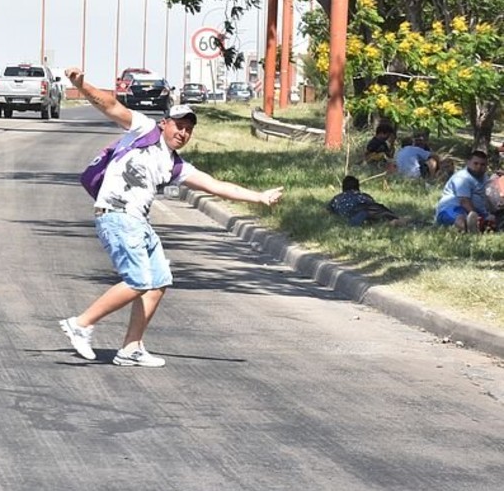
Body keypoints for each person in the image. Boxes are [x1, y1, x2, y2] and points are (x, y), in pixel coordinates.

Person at [57, 67, 284, 368]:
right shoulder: (143, 130)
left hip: (139, 222)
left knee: (159, 280)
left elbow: (216, 185)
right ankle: (81, 324)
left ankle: (131, 348)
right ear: (165, 123)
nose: (183, 133)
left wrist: (258, 197)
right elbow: (110, 105)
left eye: (189, 129)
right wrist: (82, 84)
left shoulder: (175, 165)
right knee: (138, 281)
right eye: (179, 125)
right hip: (117, 215)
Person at [434, 150, 492, 233]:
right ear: (468, 163)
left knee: (493, 219)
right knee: (460, 218)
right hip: (452, 208)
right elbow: (464, 201)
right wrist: (477, 217)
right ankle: (468, 228)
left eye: (482, 164)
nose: (479, 167)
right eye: (475, 163)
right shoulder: (462, 178)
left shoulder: (484, 177)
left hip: (476, 211)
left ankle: (476, 226)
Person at [327, 176, 403, 225]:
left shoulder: (337, 198)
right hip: (371, 208)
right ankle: (400, 220)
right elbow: (372, 203)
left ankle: (392, 222)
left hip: (357, 213)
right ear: (358, 187)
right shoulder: (363, 195)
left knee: (374, 221)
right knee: (388, 216)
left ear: (343, 188)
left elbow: (327, 211)